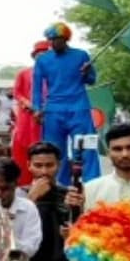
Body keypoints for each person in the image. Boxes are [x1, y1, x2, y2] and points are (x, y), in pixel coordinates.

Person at [32, 22, 101, 185]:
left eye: (57, 39)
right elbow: (36, 88)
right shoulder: (43, 60)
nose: (53, 42)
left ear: (66, 39)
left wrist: (87, 72)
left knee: (87, 147)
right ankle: (58, 185)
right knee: (55, 151)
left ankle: (93, 184)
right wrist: (37, 108)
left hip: (79, 108)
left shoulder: (81, 55)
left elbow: (91, 80)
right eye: (51, 39)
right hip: (53, 110)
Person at [11, 41, 49, 185]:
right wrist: (29, 105)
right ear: (34, 56)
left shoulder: (55, 75)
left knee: (45, 151)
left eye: (45, 53)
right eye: (38, 54)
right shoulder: (24, 73)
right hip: (27, 120)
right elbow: (17, 93)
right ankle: (23, 184)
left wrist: (45, 108)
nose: (41, 56)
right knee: (23, 151)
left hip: (47, 119)